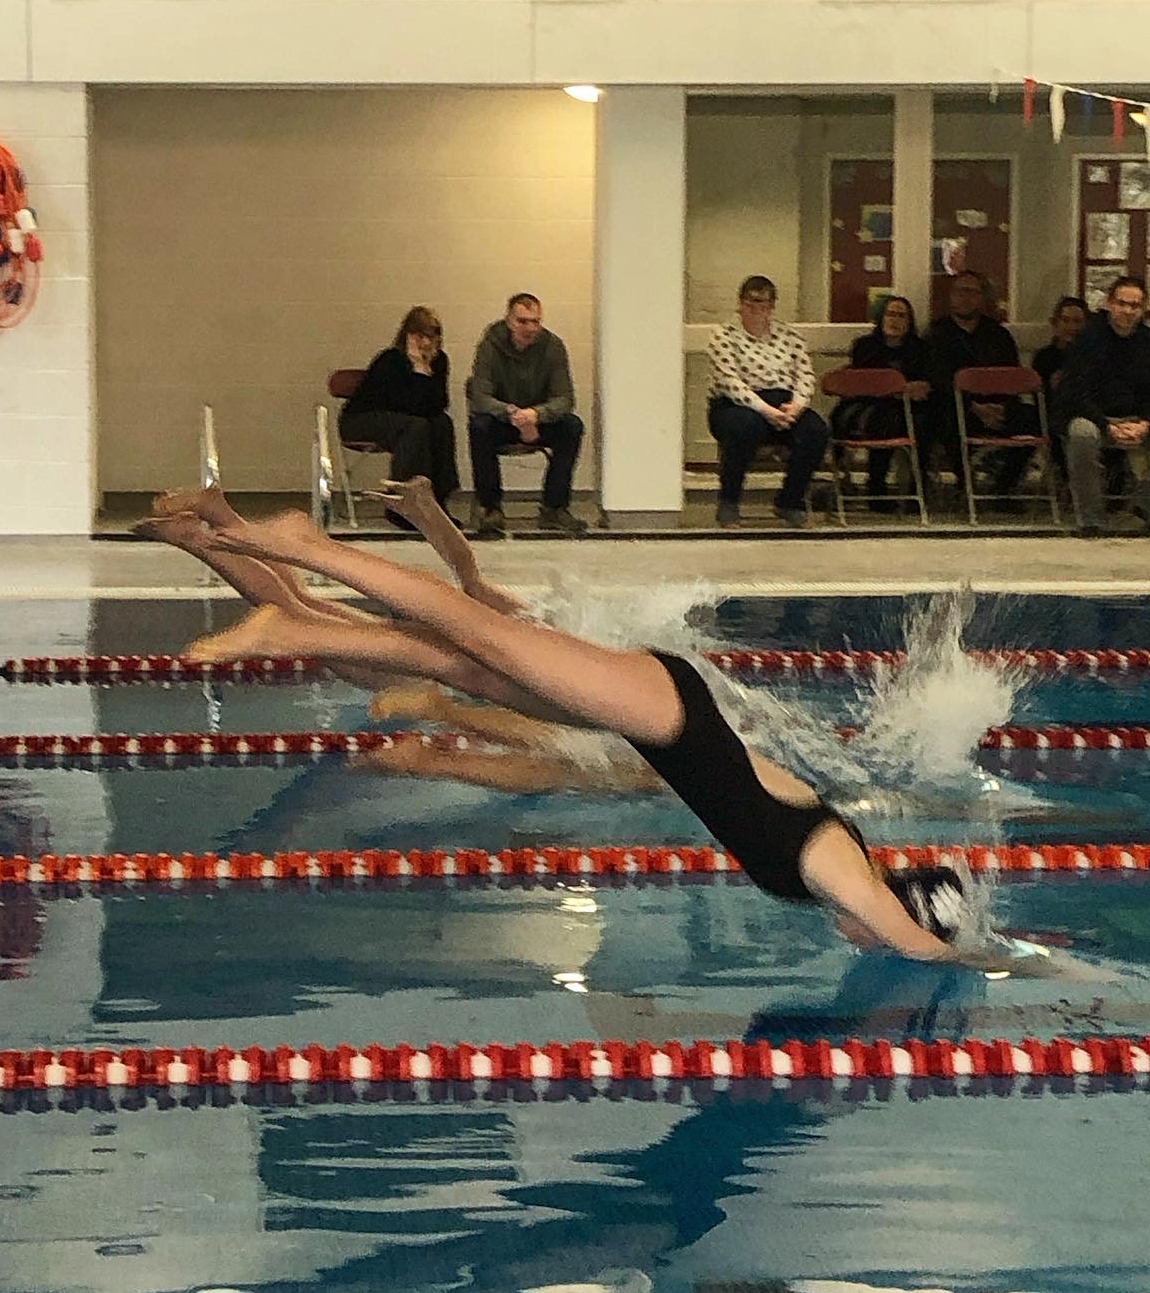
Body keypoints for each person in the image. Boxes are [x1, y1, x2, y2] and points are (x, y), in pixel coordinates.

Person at [137, 489, 977, 962]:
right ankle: (304, 547)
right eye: (892, 923)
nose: (865, 939)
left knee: (464, 664)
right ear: (905, 904)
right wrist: (983, 957)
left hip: (660, 721)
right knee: (474, 629)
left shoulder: (835, 851)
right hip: (663, 710)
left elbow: (751, 773)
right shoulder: (839, 866)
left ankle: (292, 619)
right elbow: (908, 938)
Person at [706, 275, 829, 529]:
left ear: (771, 306)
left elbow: (805, 374)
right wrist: (766, 410)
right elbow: (730, 381)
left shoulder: (789, 335)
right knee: (744, 427)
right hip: (737, 404)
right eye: (749, 302)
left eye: (761, 303)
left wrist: (797, 406)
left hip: (784, 402)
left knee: (816, 430)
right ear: (740, 304)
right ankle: (729, 502)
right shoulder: (724, 335)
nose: (755, 308)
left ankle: (790, 501)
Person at [467, 292, 586, 537]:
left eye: (536, 322)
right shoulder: (490, 345)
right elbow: (480, 396)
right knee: (479, 426)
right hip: (503, 419)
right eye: (523, 321)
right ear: (509, 321)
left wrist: (536, 415)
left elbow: (565, 398)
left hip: (538, 419)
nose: (530, 328)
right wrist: (511, 413)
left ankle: (554, 507)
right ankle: (490, 507)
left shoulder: (553, 346)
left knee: (572, 426)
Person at [338, 305, 459, 528]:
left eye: (431, 337)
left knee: (442, 423)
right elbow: (404, 404)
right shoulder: (391, 360)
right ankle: (402, 502)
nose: (426, 343)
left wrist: (424, 369)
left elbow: (439, 403)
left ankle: (437, 501)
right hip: (361, 419)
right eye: (420, 336)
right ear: (407, 335)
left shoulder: (439, 361)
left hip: (406, 420)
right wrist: (417, 369)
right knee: (415, 427)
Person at [1054, 274, 1150, 537]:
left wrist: (1144, 422)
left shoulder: (1147, 342)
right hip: (1090, 417)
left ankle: (1143, 509)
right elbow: (1075, 394)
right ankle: (1091, 520)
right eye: (1122, 303)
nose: (1128, 311)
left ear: (1143, 309)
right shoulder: (1087, 340)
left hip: (1135, 419)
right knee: (1082, 435)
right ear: (1109, 304)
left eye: (1135, 305)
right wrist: (1107, 425)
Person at [926, 270, 1030, 499]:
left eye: (972, 292)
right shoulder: (937, 334)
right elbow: (938, 379)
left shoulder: (999, 335)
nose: (966, 297)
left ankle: (1004, 486)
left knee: (1036, 420)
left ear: (982, 297)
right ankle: (966, 483)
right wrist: (974, 406)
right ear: (952, 296)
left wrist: (1000, 407)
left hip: (999, 407)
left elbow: (1011, 375)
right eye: (961, 291)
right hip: (959, 408)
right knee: (943, 417)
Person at [831, 295, 932, 500]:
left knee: (924, 421)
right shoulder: (864, 346)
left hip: (909, 408)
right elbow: (862, 381)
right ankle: (876, 484)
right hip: (869, 405)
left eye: (901, 316)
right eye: (891, 314)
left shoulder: (920, 349)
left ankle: (917, 489)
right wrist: (896, 388)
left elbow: (925, 382)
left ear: (909, 321)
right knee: (885, 420)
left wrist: (918, 388)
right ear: (881, 318)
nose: (895, 320)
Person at [1031, 295, 1089, 394]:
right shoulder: (1043, 358)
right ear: (1055, 324)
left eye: (1077, 321)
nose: (1072, 327)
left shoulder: (1094, 355)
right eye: (1065, 320)